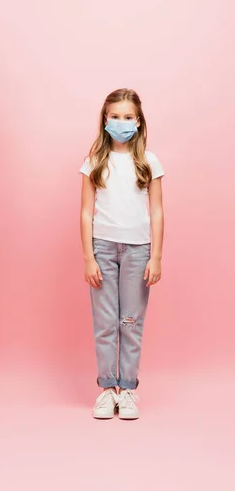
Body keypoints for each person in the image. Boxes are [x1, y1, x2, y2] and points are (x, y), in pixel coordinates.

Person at [80, 89, 164, 420]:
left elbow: (157, 211)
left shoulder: (149, 162)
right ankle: (106, 389)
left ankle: (127, 388)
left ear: (139, 122)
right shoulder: (94, 162)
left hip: (138, 250)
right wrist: (89, 256)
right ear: (104, 120)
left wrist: (155, 255)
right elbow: (86, 212)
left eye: (128, 117)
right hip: (102, 247)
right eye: (115, 116)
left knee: (130, 321)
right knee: (105, 323)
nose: (121, 122)